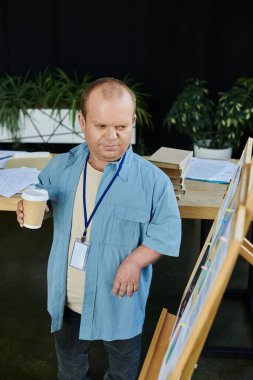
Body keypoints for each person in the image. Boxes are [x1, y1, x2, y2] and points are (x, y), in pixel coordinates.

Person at [16, 77, 181, 380]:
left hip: (118, 302)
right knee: (70, 367)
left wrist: (135, 261)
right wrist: (35, 209)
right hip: (66, 297)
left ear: (132, 121)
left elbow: (165, 234)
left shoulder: (153, 181)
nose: (112, 137)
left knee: (123, 368)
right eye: (101, 126)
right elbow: (41, 196)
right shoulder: (61, 167)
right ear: (82, 121)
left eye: (121, 127)